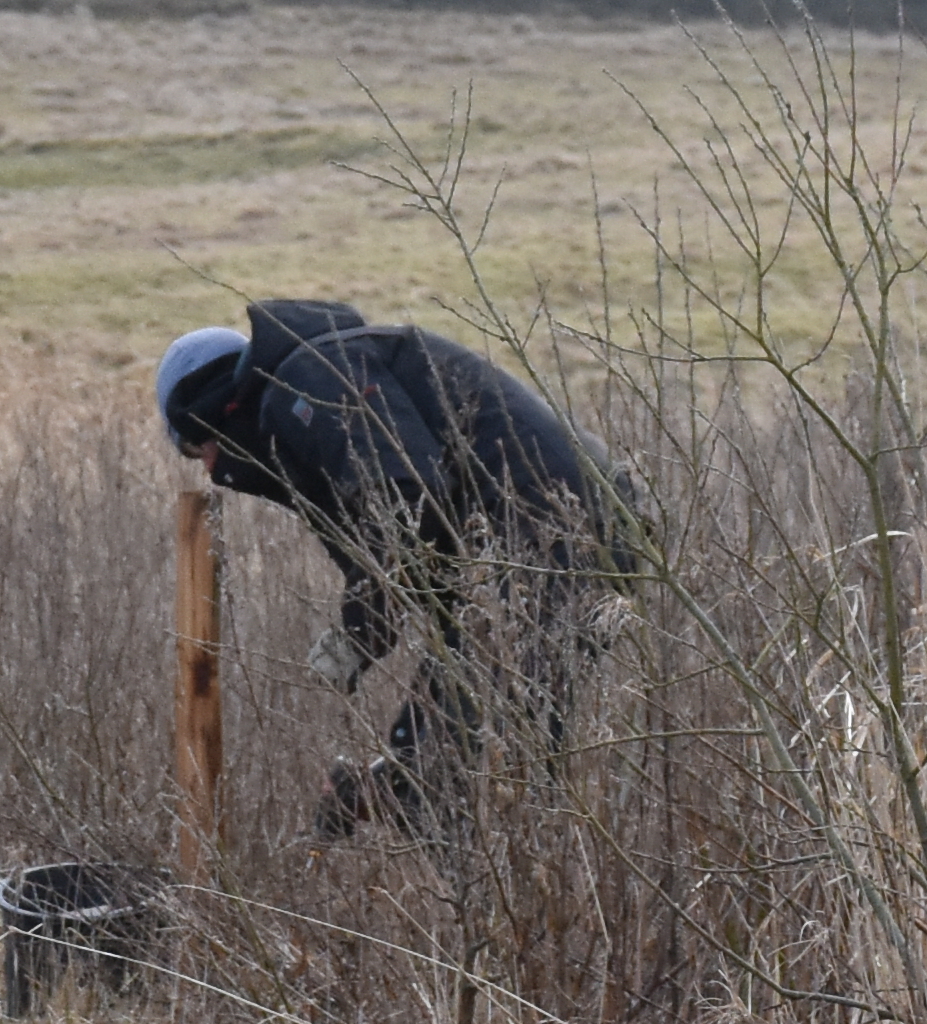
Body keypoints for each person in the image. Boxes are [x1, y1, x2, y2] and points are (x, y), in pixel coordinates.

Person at [155, 298, 643, 836]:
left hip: (553, 539)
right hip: (565, 538)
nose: (205, 467)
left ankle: (498, 900)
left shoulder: (310, 377)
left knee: (469, 768)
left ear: (208, 415)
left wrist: (357, 637)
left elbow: (406, 504)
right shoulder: (308, 392)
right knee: (478, 744)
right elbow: (420, 549)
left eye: (193, 449)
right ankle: (396, 808)